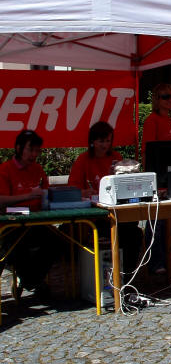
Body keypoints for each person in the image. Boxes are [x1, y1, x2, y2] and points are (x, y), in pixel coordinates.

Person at [68, 121, 142, 278]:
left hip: (115, 214)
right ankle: (106, 278)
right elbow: (72, 190)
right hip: (94, 218)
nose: (105, 145)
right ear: (92, 142)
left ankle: (126, 277)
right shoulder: (83, 160)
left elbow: (125, 184)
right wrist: (85, 191)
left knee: (135, 234)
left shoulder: (116, 157)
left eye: (108, 141)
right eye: (101, 141)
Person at [0, 130, 60, 298]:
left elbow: (46, 193)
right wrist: (27, 196)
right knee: (15, 249)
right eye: (30, 150)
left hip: (37, 222)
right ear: (19, 148)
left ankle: (29, 280)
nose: (34, 154)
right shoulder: (5, 169)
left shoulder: (38, 169)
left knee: (57, 241)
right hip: (11, 224)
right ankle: (30, 280)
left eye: (37, 151)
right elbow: (1, 200)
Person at [142, 83, 171, 274]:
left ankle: (168, 260)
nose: (170, 100)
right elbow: (148, 151)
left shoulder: (170, 119)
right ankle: (155, 262)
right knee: (156, 221)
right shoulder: (152, 120)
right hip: (157, 177)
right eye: (165, 97)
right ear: (157, 100)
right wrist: (151, 180)